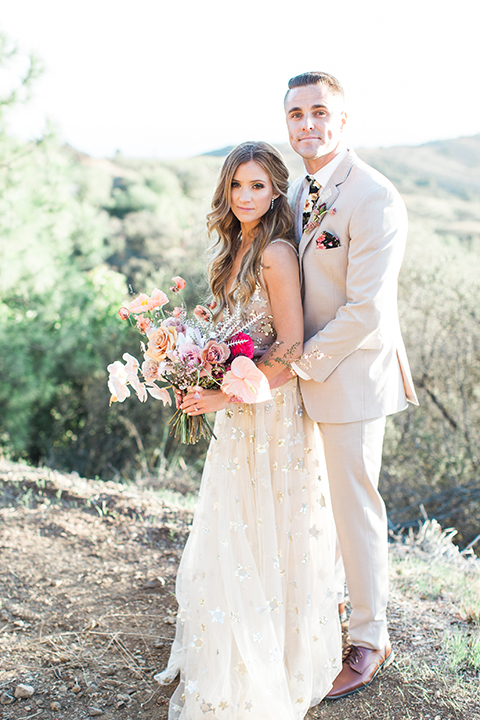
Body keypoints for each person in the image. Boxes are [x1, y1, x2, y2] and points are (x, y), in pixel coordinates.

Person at [155, 141, 342, 719]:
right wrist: (189, 360)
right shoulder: (236, 248)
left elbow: (289, 350)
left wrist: (220, 391)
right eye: (237, 185)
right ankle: (232, 649)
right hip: (240, 414)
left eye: (258, 185)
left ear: (276, 190)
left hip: (270, 413)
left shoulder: (276, 254)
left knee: (269, 535)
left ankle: (273, 663)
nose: (245, 196)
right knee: (236, 530)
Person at [283, 72, 418, 700]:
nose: (306, 124)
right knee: (318, 507)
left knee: (356, 510)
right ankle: (326, 612)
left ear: (342, 119)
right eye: (295, 114)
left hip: (352, 377)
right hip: (304, 374)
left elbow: (368, 310)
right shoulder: (297, 193)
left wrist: (297, 361)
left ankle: (369, 639)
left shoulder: (374, 196)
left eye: (318, 112)